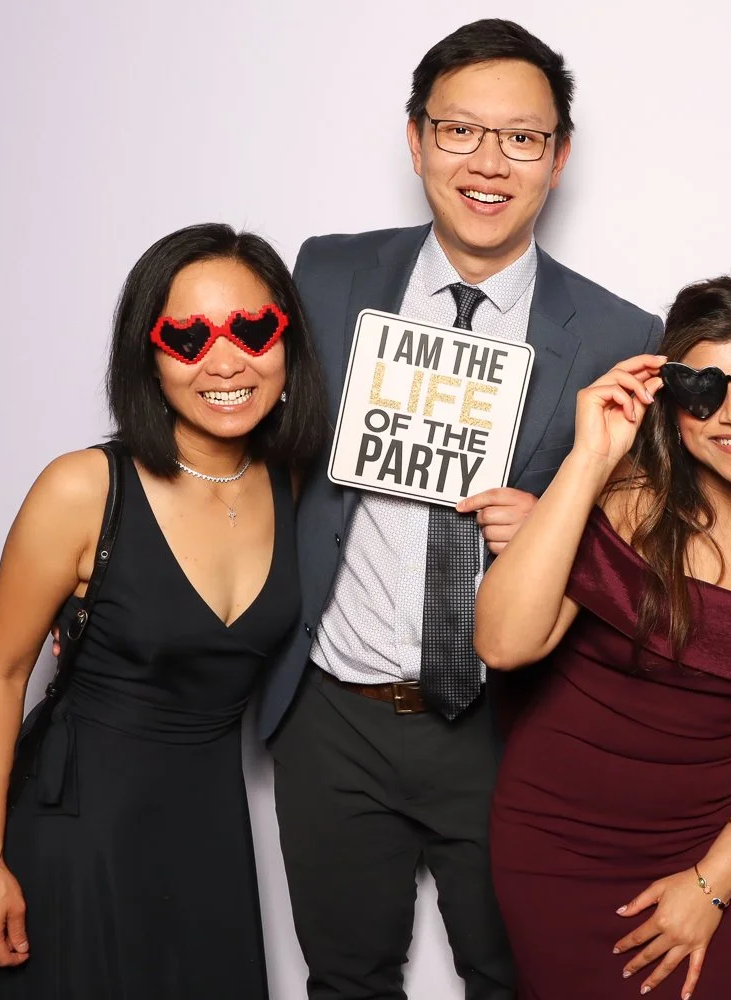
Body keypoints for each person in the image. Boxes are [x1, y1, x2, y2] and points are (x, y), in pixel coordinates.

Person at [259, 19, 663, 1000]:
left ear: (559, 156)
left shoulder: (622, 333)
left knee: (516, 976)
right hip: (333, 712)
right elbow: (240, 448)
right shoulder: (327, 275)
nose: (489, 163)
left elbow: (654, 534)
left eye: (522, 138)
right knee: (345, 979)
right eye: (459, 132)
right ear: (416, 140)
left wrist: (560, 531)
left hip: (507, 723)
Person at [475, 276, 731, 1000]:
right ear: (671, 404)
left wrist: (713, 882)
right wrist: (590, 458)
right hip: (554, 845)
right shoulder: (631, 502)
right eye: (702, 391)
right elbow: (504, 644)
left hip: (705, 853)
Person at [0, 223, 328, 999]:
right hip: (79, 839)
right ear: (149, 359)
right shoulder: (83, 488)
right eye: (188, 338)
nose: (226, 361)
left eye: (254, 330)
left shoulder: (294, 484)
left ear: (287, 343)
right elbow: (1, 673)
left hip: (211, 844)